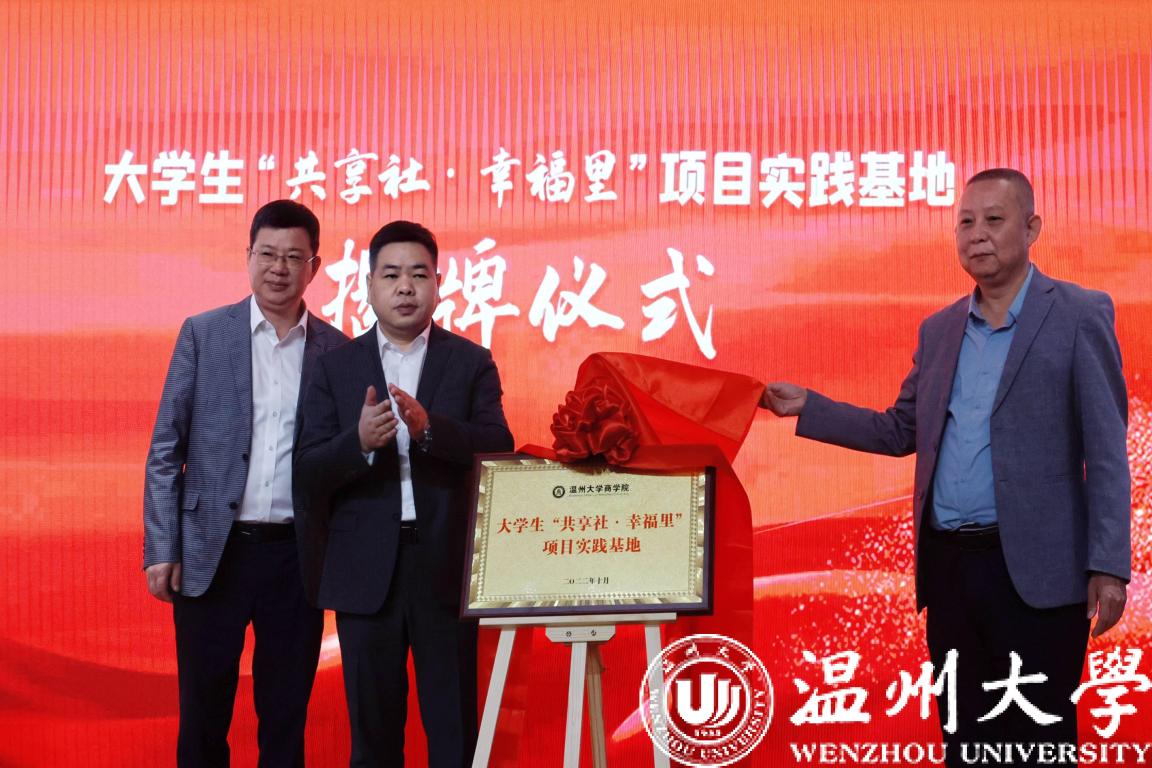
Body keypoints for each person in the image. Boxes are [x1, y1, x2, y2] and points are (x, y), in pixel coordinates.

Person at [762, 169, 1130, 764]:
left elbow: (1108, 451)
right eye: (965, 222)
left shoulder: (1079, 314)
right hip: (952, 574)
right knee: (966, 744)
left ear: (1032, 228)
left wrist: (1109, 566)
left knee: (1039, 745)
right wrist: (810, 406)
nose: (976, 234)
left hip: (1039, 577)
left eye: (994, 220)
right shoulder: (939, 331)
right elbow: (900, 430)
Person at [295, 220, 514, 768]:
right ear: (369, 285)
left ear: (438, 283)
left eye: (419, 274)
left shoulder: (470, 361)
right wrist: (358, 444)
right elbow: (307, 470)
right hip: (365, 573)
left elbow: (499, 447)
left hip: (444, 569)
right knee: (373, 741)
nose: (406, 287)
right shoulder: (334, 367)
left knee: (454, 734)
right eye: (391, 275)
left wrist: (431, 430)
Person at [143, 199, 348, 767]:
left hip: (295, 558)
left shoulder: (337, 351)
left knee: (285, 716)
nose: (279, 268)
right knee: (203, 713)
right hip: (214, 551)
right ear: (248, 256)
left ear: (315, 266)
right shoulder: (204, 334)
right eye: (267, 254)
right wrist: (162, 547)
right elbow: (165, 450)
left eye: (293, 257)